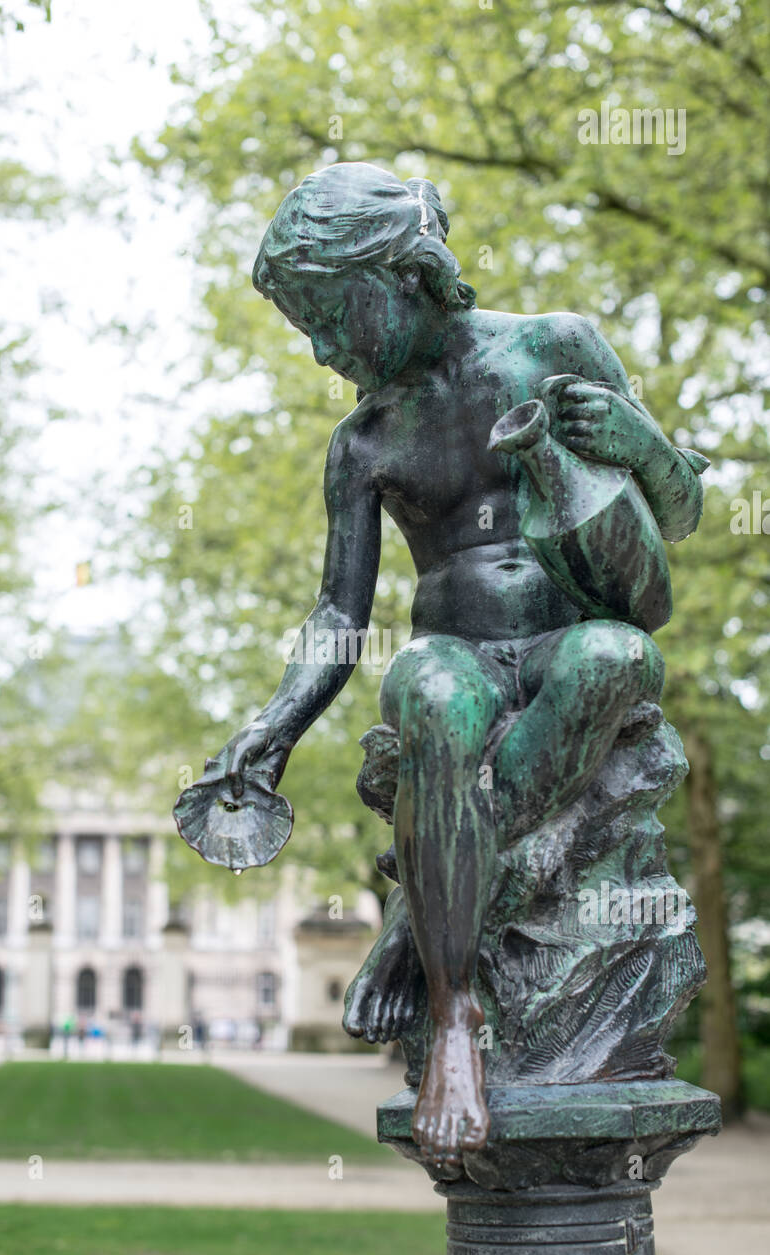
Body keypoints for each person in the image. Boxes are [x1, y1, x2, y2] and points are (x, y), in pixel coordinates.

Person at [199, 163, 707, 1167]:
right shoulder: (364, 442)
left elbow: (678, 515)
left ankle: (419, 914)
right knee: (428, 689)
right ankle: (458, 1019)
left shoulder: (555, 345)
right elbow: (339, 616)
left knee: (617, 651)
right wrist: (273, 725)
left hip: (575, 636)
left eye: (335, 318)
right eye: (310, 330)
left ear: (407, 273)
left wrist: (645, 444)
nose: (326, 350)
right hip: (458, 655)